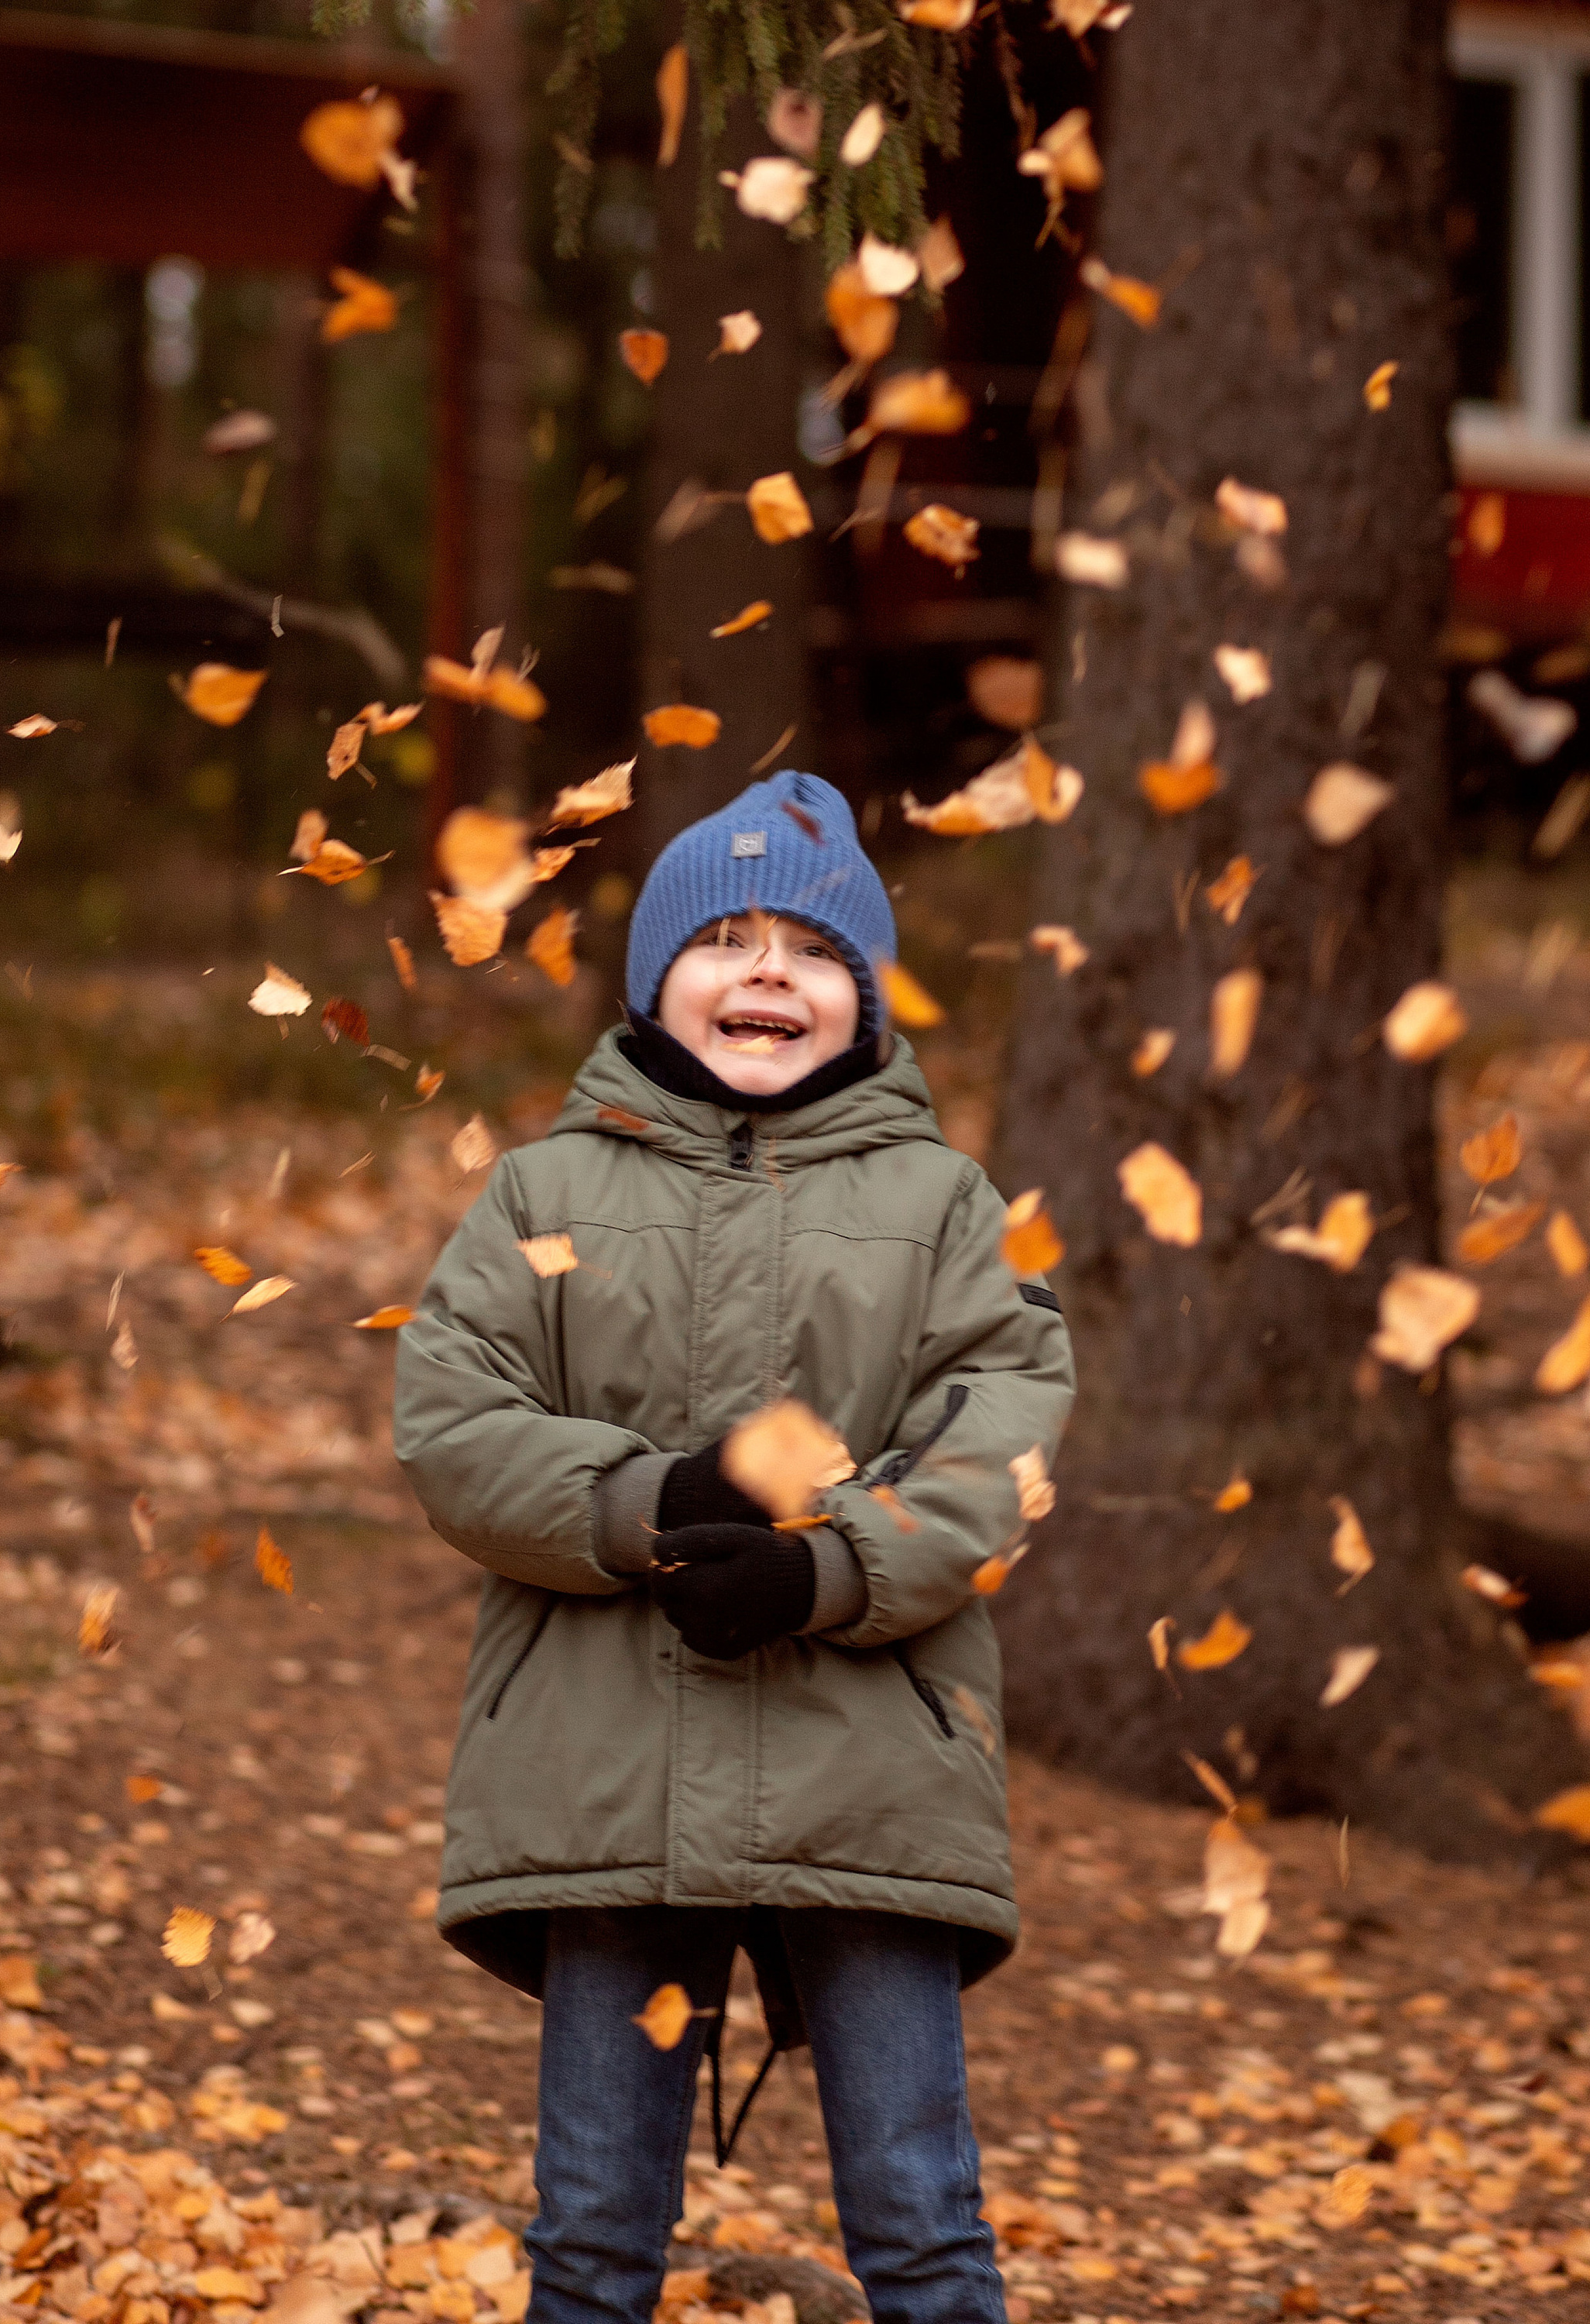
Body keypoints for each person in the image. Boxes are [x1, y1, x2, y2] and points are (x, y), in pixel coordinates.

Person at [394, 768, 1074, 2324]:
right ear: (654, 982)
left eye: (813, 952)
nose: (767, 970)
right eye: (726, 937)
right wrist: (644, 1500)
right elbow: (451, 1418)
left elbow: (1000, 1442)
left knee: (916, 2212)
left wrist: (828, 1565)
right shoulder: (541, 1192)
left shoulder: (941, 1207)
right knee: (589, 2229)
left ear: (861, 1006)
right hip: (606, 1762)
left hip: (869, 1776)